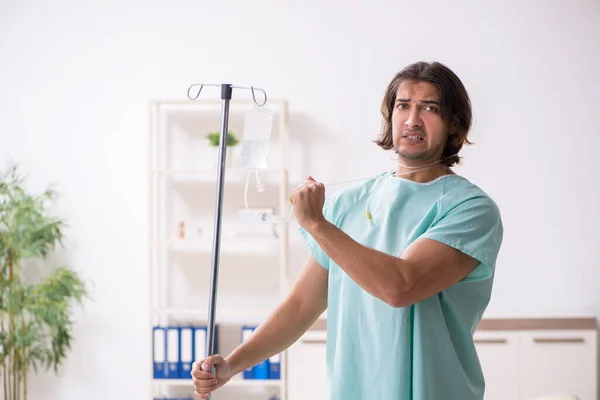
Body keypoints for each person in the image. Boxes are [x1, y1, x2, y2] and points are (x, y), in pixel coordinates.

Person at [191, 61, 504, 400]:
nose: (413, 120)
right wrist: (232, 365)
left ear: (454, 124)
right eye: (403, 106)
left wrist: (317, 224)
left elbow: (401, 287)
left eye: (430, 108)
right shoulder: (348, 203)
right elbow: (300, 306)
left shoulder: (470, 209)